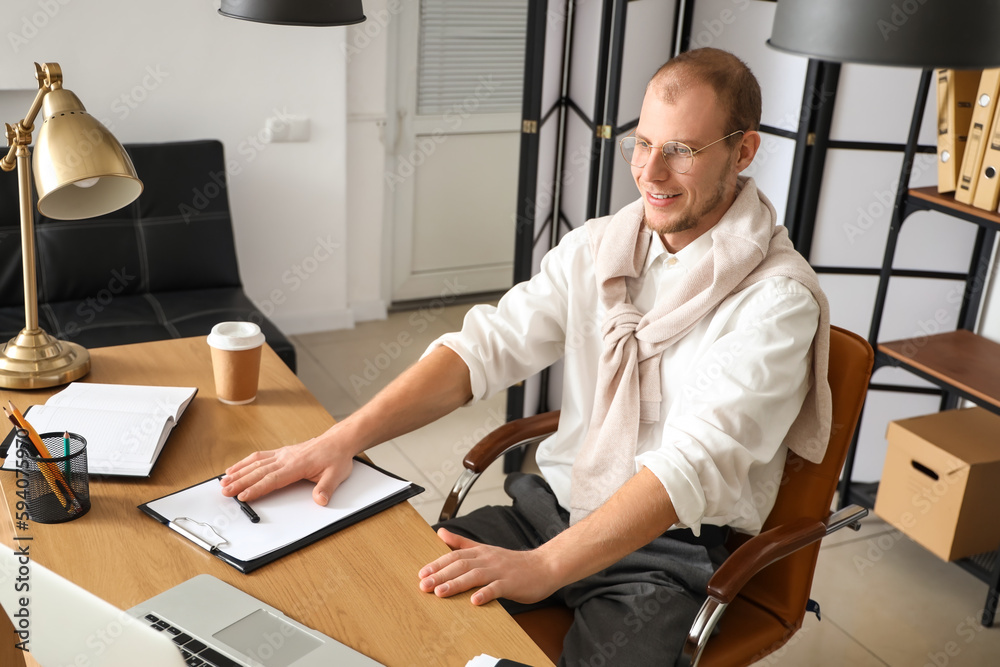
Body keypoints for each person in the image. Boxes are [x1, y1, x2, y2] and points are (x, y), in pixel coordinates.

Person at [221, 47, 831, 666]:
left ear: (744, 151)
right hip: (544, 511)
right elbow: (483, 348)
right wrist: (339, 440)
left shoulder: (776, 302)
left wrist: (545, 569)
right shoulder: (599, 247)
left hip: (662, 555)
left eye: (682, 150)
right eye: (642, 144)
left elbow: (690, 469)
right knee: (376, 604)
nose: (650, 172)